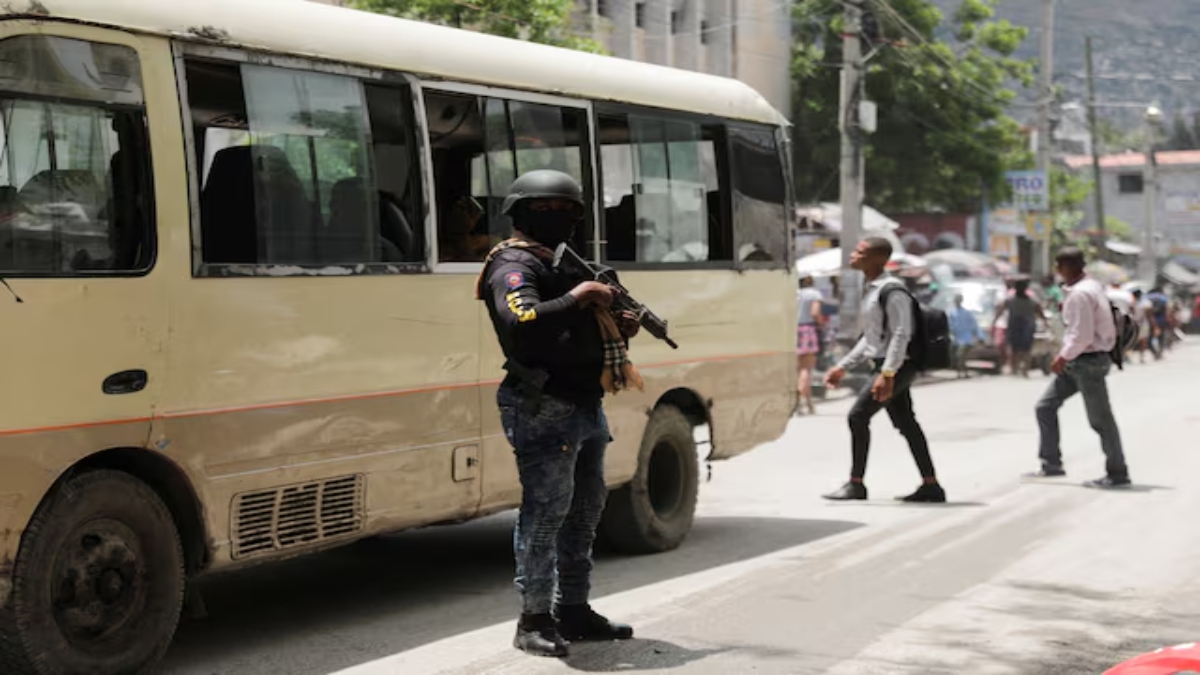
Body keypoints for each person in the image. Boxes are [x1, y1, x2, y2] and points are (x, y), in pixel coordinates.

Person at [475, 170, 639, 657]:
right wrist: (578, 297)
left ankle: (574, 609)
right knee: (545, 515)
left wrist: (617, 323)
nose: (559, 218)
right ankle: (534, 618)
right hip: (543, 404)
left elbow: (577, 328)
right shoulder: (513, 264)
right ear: (522, 214)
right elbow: (520, 318)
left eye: (567, 211)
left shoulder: (564, 261)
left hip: (584, 402)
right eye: (546, 210)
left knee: (585, 512)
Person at [821, 237, 945, 503]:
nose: (853, 255)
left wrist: (887, 374)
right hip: (886, 365)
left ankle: (856, 484)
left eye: (860, 252)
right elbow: (872, 337)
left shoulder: (893, 290)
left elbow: (902, 333)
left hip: (896, 365)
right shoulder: (873, 289)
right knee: (906, 424)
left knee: (858, 416)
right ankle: (931, 485)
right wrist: (842, 367)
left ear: (878, 259)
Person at [1028, 247, 1130, 489]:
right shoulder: (1091, 286)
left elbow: (1081, 335)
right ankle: (1051, 463)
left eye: (1058, 266)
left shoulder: (1080, 294)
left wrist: (1062, 358)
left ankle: (1117, 472)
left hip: (1087, 361)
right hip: (1082, 360)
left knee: (1101, 420)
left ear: (1065, 267)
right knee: (1045, 406)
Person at [994, 279, 1046, 377]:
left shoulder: (1030, 301)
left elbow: (1040, 312)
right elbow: (1000, 310)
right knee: (1017, 349)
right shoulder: (1012, 300)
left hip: (1024, 327)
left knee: (1022, 349)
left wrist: (1045, 322)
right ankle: (1017, 369)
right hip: (1019, 326)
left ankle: (1021, 369)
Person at [795, 274, 824, 414]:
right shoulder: (814, 294)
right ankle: (799, 401)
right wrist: (821, 324)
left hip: (792, 331)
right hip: (808, 329)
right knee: (806, 369)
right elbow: (815, 312)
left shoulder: (793, 294)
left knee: (797, 370)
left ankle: (809, 404)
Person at [947, 293, 981, 378]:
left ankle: (963, 373)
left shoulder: (966, 313)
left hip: (966, 338)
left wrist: (977, 335)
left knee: (961, 355)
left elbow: (973, 325)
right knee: (959, 357)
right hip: (956, 339)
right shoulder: (952, 313)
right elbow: (950, 326)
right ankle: (961, 372)